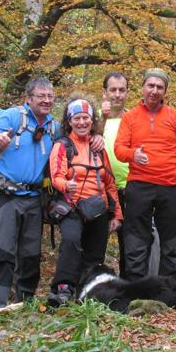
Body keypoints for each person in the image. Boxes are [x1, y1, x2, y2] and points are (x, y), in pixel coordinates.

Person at [114, 68, 176, 280]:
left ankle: (169, 291)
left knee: (170, 245)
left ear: (165, 91)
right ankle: (137, 293)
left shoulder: (175, 117)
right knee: (136, 243)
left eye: (160, 87)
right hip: (139, 186)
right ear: (142, 88)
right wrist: (134, 154)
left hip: (172, 187)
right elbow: (119, 150)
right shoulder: (130, 117)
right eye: (150, 85)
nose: (154, 90)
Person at [0, 77, 59, 311]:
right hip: (6, 194)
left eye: (50, 96)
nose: (46, 100)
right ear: (28, 98)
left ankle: (24, 304)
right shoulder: (12, 117)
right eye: (41, 96)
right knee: (3, 250)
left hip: (34, 198)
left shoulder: (53, 126)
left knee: (31, 255)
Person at [47, 98, 123, 306]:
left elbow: (110, 182)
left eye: (86, 118)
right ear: (69, 121)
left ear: (92, 121)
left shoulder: (98, 147)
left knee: (96, 252)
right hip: (71, 206)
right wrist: (65, 185)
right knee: (71, 241)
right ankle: (63, 288)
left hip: (98, 207)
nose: (82, 123)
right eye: (77, 118)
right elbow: (56, 175)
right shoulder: (62, 146)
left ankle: (86, 292)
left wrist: (117, 214)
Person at [101, 71, 161, 277]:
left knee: (134, 244)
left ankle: (133, 289)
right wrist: (101, 117)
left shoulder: (135, 118)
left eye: (122, 90)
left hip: (132, 188)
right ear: (105, 92)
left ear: (127, 92)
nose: (117, 95)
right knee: (97, 242)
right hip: (102, 191)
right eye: (113, 90)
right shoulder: (92, 121)